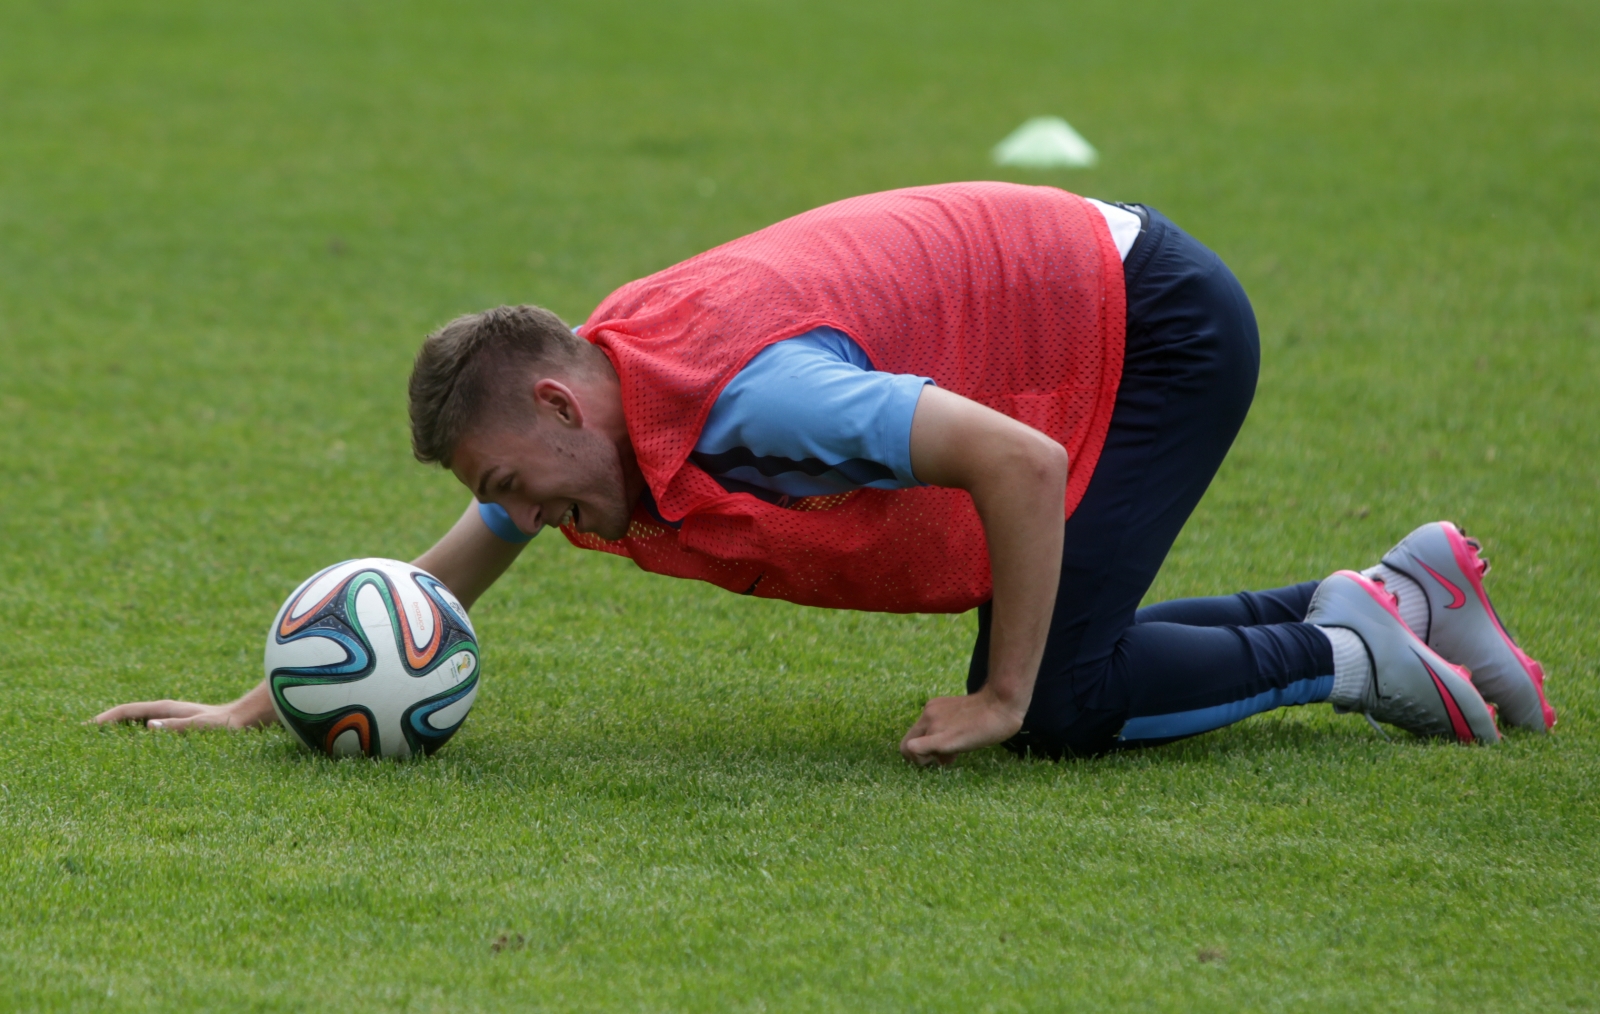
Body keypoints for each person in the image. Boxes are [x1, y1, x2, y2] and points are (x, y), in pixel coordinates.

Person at [95, 183, 1555, 762]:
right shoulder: (601, 399)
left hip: (1152, 319)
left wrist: (997, 693)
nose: (524, 514)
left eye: (519, 479)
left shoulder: (752, 395)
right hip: (1100, 287)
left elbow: (1020, 464)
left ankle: (1345, 647)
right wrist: (268, 693)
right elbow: (469, 548)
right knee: (1062, 666)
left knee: (1058, 699)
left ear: (556, 395)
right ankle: (1399, 588)